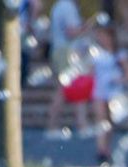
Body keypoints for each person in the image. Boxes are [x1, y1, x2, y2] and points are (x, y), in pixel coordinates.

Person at [45, 0, 91, 139]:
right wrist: (87, 27)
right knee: (65, 89)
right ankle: (54, 127)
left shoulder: (59, 5)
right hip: (66, 52)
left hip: (63, 51)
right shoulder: (67, 6)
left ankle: (81, 124)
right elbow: (71, 32)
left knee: (74, 88)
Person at [91, 21, 128, 164]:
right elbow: (89, 71)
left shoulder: (118, 54)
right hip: (99, 90)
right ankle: (100, 150)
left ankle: (106, 148)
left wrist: (118, 79)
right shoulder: (96, 53)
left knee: (109, 121)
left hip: (114, 90)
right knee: (101, 119)